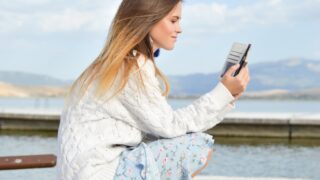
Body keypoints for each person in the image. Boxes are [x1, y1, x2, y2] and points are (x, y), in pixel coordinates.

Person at [57, 0, 250, 179]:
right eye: (173, 21)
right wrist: (224, 92)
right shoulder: (131, 67)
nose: (179, 29)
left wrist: (227, 95)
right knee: (198, 146)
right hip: (101, 172)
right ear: (148, 20)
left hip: (87, 171)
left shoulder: (116, 63)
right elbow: (171, 126)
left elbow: (159, 127)